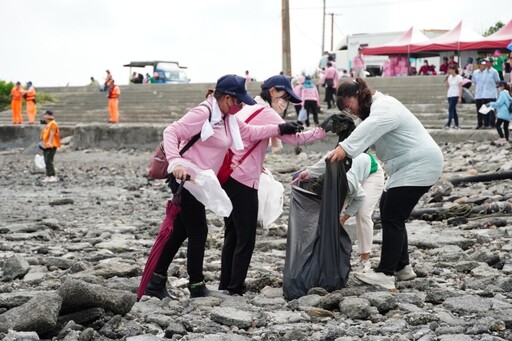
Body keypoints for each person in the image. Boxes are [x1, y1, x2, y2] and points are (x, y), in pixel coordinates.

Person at [145, 74, 304, 299]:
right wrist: (175, 161)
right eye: (239, 101)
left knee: (181, 230)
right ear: (228, 98)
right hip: (184, 177)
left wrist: (281, 129)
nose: (241, 106)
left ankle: (156, 280)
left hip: (198, 180)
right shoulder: (204, 112)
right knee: (199, 230)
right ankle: (196, 285)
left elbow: (250, 132)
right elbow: (172, 131)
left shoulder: (228, 118)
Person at [326, 78, 444, 290]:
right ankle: (402, 267)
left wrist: (344, 147)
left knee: (392, 215)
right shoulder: (369, 116)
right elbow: (359, 141)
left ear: (358, 95)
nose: (350, 112)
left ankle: (386, 273)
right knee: (390, 209)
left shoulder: (384, 106)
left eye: (348, 106)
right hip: (406, 167)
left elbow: (367, 131)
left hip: (421, 163)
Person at [219, 74, 328, 296]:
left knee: (232, 232)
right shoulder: (266, 112)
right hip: (244, 180)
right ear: (272, 92)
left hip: (227, 175)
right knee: (246, 236)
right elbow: (296, 139)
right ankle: (235, 287)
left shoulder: (246, 108)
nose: (285, 102)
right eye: (285, 97)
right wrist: (324, 129)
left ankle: (226, 283)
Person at [293, 152, 384, 272]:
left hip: (372, 174)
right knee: (329, 218)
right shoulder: (328, 169)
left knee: (362, 214)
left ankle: (365, 259)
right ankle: (323, 258)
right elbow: (326, 159)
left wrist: (343, 219)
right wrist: (308, 172)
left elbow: (360, 198)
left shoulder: (349, 183)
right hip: (348, 177)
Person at [40, 110, 61, 183]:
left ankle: (52, 175)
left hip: (51, 144)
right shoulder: (48, 124)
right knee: (46, 160)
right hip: (46, 145)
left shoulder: (53, 124)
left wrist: (50, 142)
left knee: (49, 160)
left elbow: (52, 133)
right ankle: (48, 175)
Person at [444, 64, 462, 129]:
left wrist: (460, 97)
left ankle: (448, 123)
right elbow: (447, 86)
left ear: (454, 70)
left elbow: (460, 87)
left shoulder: (458, 77)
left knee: (450, 109)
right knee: (453, 110)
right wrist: (446, 78)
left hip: (455, 94)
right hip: (450, 94)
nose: (449, 71)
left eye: (451, 69)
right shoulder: (450, 77)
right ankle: (457, 124)